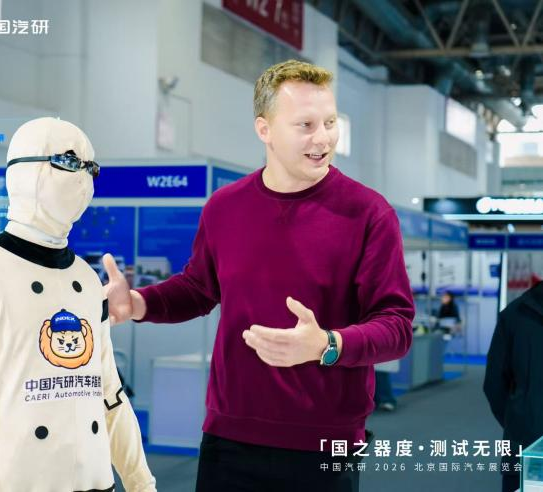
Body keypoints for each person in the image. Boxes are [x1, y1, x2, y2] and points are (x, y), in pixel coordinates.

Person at [103, 60, 414, 492]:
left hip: (325, 443)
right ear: (264, 129)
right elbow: (198, 288)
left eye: (329, 123)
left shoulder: (368, 213)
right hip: (229, 438)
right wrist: (139, 303)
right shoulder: (225, 207)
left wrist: (327, 344)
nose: (323, 138)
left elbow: (397, 326)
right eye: (305, 125)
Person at [0, 118, 155, 492]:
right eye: (69, 161)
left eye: (91, 167)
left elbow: (111, 397)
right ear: (23, 172)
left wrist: (142, 483)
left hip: (96, 482)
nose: (83, 178)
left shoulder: (87, 280)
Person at [484, 280, 543, 492]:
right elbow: (494, 385)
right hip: (527, 446)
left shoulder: (514, 314)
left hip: (525, 441)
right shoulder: (513, 316)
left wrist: (520, 418)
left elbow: (494, 385)